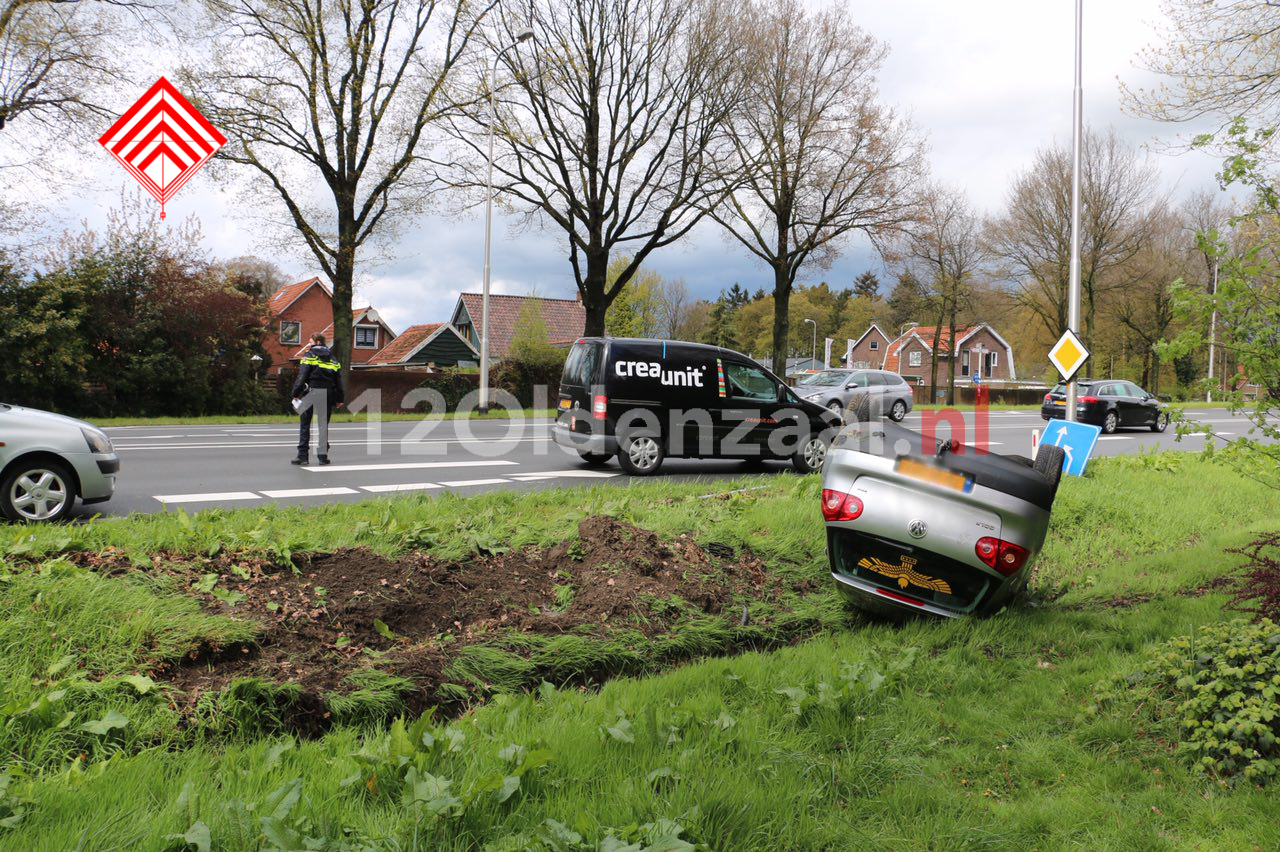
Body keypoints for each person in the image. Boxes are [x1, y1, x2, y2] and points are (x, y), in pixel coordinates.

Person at [291, 333, 344, 465]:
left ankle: (302, 456)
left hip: (310, 393)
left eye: (310, 342)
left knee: (305, 425)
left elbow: (302, 376)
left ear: (318, 342)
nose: (309, 345)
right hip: (327, 394)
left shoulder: (309, 356)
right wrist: (340, 399)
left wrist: (295, 393)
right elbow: (338, 381)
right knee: (323, 425)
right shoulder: (333, 359)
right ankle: (323, 457)